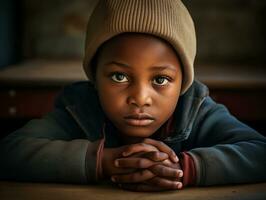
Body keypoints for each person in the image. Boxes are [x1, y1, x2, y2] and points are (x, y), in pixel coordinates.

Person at [0, 0, 265, 192]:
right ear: (95, 77)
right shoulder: (81, 109)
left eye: (160, 80)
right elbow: (9, 152)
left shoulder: (196, 110)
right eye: (119, 77)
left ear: (183, 82)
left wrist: (186, 169)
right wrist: (103, 161)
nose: (140, 98)